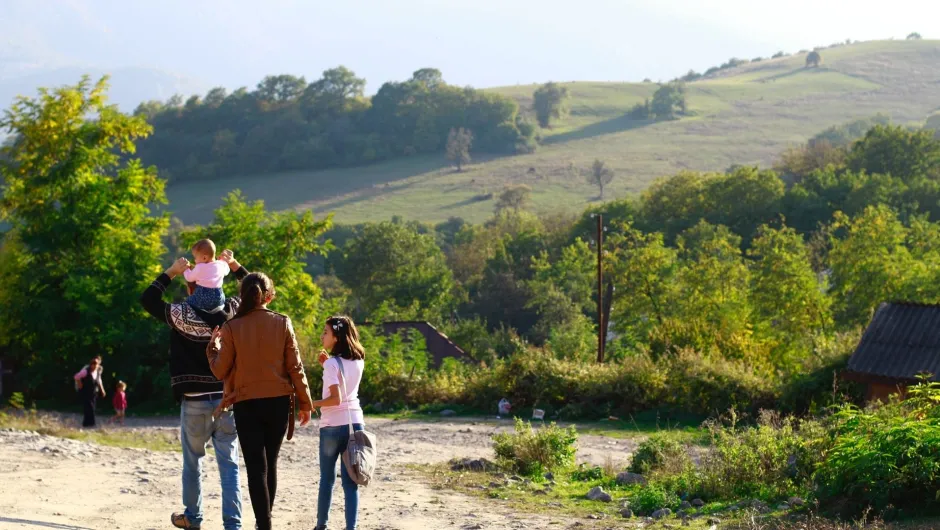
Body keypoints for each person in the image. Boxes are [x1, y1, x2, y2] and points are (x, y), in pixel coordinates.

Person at [140, 249, 246, 530]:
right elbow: (256, 291)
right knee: (230, 465)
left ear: (192, 285)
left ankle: (193, 518)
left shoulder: (180, 313)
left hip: (195, 401)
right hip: (226, 399)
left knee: (193, 463)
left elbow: (147, 299)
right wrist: (234, 265)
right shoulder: (232, 312)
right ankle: (233, 525)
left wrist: (171, 272)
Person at [206, 272, 313, 530]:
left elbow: (220, 371)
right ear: (268, 295)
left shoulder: (232, 327)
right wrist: (306, 402)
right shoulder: (282, 322)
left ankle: (263, 525)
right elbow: (295, 367)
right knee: (270, 463)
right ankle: (264, 523)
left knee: (256, 468)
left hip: (246, 404)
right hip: (278, 402)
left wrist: (212, 350)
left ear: (242, 295)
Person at [313, 316, 366, 530]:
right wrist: (327, 364)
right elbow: (346, 385)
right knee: (350, 482)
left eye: (325, 332)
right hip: (355, 423)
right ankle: (350, 527)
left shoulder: (333, 364)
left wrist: (310, 403)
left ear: (336, 337)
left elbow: (335, 399)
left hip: (333, 426)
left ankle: (321, 526)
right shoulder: (359, 361)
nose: (322, 336)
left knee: (327, 479)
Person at [183, 239, 230, 313]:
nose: (195, 260)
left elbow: (189, 278)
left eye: (195, 257)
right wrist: (223, 261)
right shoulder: (220, 265)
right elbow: (227, 270)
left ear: (204, 258)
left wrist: (186, 269)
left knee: (188, 302)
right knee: (221, 299)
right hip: (219, 299)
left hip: (203, 298)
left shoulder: (200, 267)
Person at [73, 356, 106, 428]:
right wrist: (80, 385)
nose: (94, 366)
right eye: (93, 364)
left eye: (96, 364)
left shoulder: (98, 371)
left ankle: (89, 424)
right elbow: (76, 376)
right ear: (91, 365)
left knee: (92, 407)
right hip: (85, 392)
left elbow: (99, 380)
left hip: (93, 392)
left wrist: (102, 390)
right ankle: (88, 424)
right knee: (88, 407)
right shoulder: (86, 371)